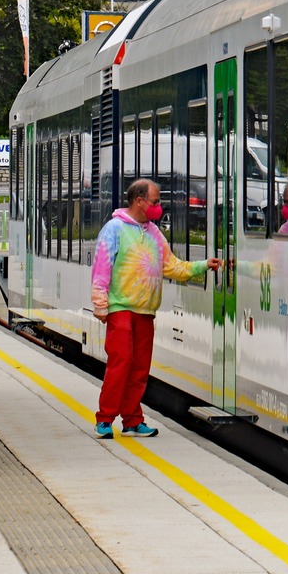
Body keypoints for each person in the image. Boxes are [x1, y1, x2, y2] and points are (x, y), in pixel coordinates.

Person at [91, 178, 219, 438]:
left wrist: (204, 265)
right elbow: (101, 268)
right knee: (121, 363)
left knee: (139, 368)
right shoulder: (114, 229)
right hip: (121, 309)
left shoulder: (154, 234)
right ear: (139, 201)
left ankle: (132, 420)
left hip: (145, 312)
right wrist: (101, 305)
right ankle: (105, 418)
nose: (159, 207)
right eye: (156, 201)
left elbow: (173, 266)